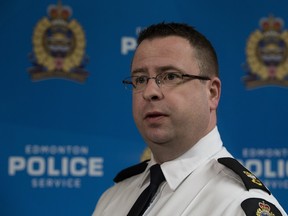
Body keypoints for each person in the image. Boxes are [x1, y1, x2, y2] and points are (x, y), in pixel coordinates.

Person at [92, 22, 287, 216]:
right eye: (141, 79)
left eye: (170, 76)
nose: (149, 92)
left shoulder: (237, 205)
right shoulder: (112, 199)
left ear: (212, 93)